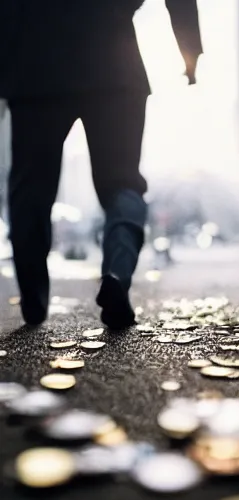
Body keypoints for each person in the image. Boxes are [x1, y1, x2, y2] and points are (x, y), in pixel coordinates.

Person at [0, 1, 203, 328]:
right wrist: (190, 51)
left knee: (30, 189)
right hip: (114, 64)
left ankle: (33, 299)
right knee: (122, 183)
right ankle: (117, 273)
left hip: (36, 67)